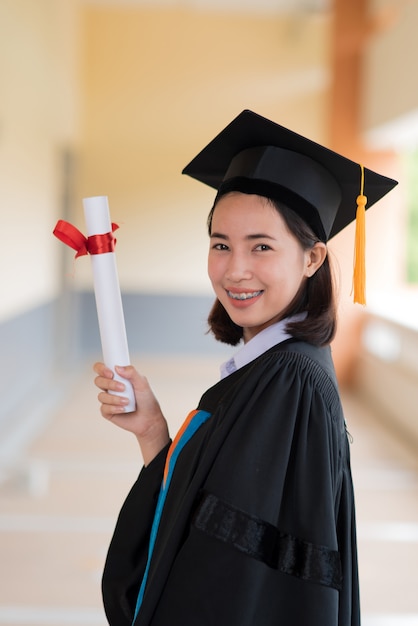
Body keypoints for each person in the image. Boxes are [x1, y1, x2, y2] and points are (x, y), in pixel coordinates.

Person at [93, 110, 397, 626]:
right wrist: (152, 433)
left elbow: (235, 572)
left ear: (312, 258)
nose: (235, 270)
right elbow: (208, 507)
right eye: (220, 245)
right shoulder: (275, 368)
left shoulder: (289, 384)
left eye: (261, 246)